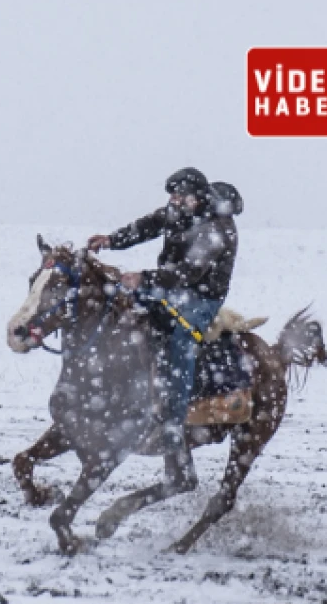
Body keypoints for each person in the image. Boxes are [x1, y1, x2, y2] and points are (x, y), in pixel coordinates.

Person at [86, 167, 240, 489]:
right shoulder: (176, 211)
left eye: (179, 195)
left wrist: (145, 278)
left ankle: (173, 419)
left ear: (197, 197)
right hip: (168, 287)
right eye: (171, 195)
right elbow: (147, 226)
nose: (173, 201)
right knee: (124, 313)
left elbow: (190, 273)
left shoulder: (218, 229)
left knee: (182, 338)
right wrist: (111, 240)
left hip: (201, 297)